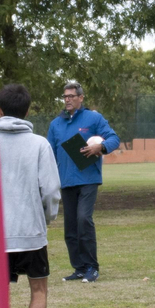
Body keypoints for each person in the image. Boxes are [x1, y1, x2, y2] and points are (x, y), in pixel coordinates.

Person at [0, 84, 61, 308]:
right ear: (27, 110)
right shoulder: (39, 144)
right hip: (31, 232)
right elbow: (50, 191)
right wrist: (46, 219)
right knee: (39, 290)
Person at [46, 80, 119, 283]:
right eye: (65, 96)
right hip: (66, 181)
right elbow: (49, 153)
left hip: (88, 179)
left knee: (83, 219)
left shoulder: (93, 118)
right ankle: (79, 267)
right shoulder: (56, 124)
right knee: (70, 226)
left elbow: (114, 138)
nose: (68, 100)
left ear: (81, 98)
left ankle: (92, 267)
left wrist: (101, 147)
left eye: (71, 96)